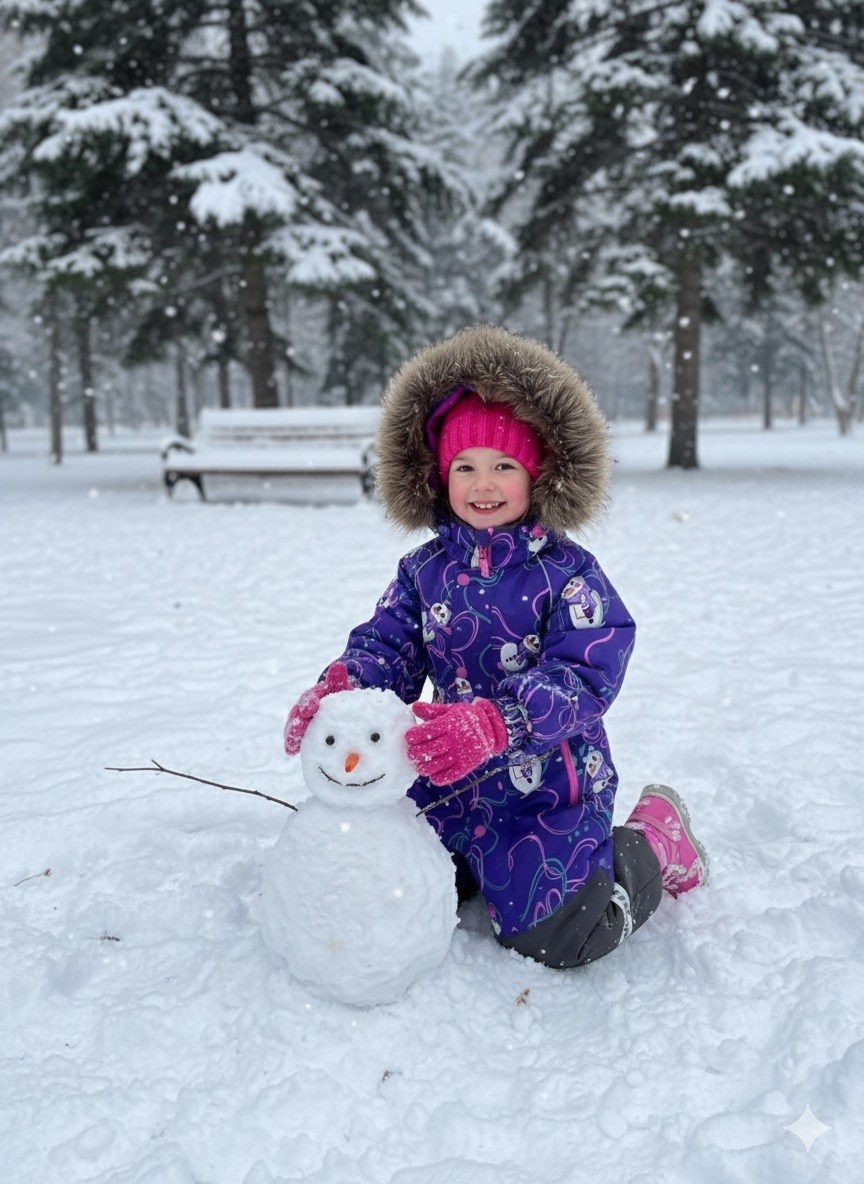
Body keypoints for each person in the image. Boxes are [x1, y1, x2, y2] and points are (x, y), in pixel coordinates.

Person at [285, 324, 708, 969]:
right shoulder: (423, 572)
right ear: (439, 476)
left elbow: (586, 670)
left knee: (562, 937)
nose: (484, 484)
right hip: (447, 786)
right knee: (401, 891)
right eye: (466, 467)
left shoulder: (567, 574)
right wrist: (342, 696)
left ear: (538, 474)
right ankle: (477, 868)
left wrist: (501, 720)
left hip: (547, 789)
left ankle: (654, 840)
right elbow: (388, 646)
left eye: (504, 465)